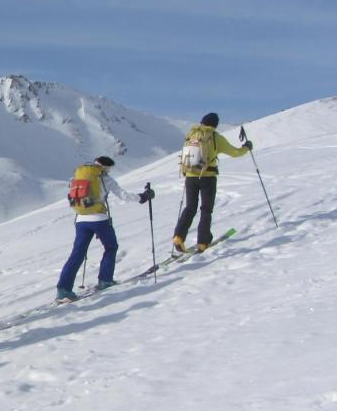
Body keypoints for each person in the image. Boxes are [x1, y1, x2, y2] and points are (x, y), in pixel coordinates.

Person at [56, 157, 154, 302]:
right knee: (111, 247)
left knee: (77, 253)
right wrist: (143, 197)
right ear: (106, 167)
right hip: (99, 219)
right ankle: (105, 280)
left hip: (81, 219)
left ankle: (63, 289)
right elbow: (124, 196)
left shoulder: (76, 177)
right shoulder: (105, 179)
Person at [173, 112, 252, 253]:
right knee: (206, 209)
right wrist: (246, 147)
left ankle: (179, 236)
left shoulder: (192, 135)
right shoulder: (215, 137)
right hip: (207, 177)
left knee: (190, 208)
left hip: (190, 176)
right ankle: (203, 242)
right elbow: (234, 152)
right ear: (215, 125)